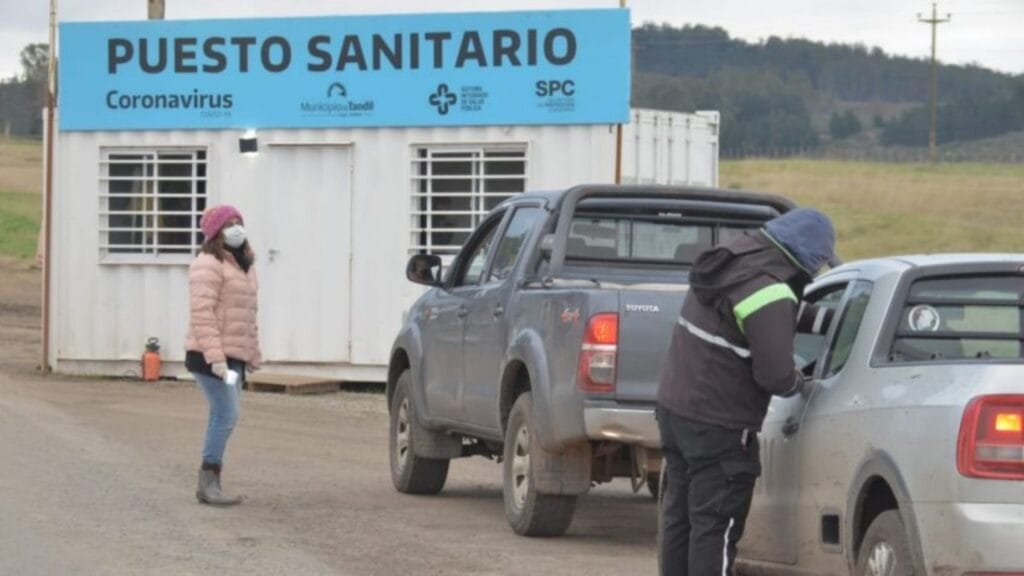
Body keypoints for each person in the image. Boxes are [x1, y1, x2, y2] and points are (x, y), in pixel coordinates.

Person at [656, 208, 837, 574]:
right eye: (817, 266)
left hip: (676, 412)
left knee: (682, 519)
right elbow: (775, 375)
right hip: (718, 425)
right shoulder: (768, 290)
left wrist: (830, 320)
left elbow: (765, 312)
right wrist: (802, 383)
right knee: (715, 526)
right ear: (801, 261)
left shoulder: (729, 266)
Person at [184, 204, 261, 506]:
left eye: (238, 222)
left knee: (222, 413)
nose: (236, 228)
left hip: (233, 357)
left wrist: (251, 353)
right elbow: (202, 314)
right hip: (209, 357)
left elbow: (247, 315)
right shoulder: (208, 264)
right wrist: (216, 358)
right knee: (227, 413)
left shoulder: (244, 264)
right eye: (228, 224)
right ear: (215, 232)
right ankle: (208, 480)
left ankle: (210, 482)